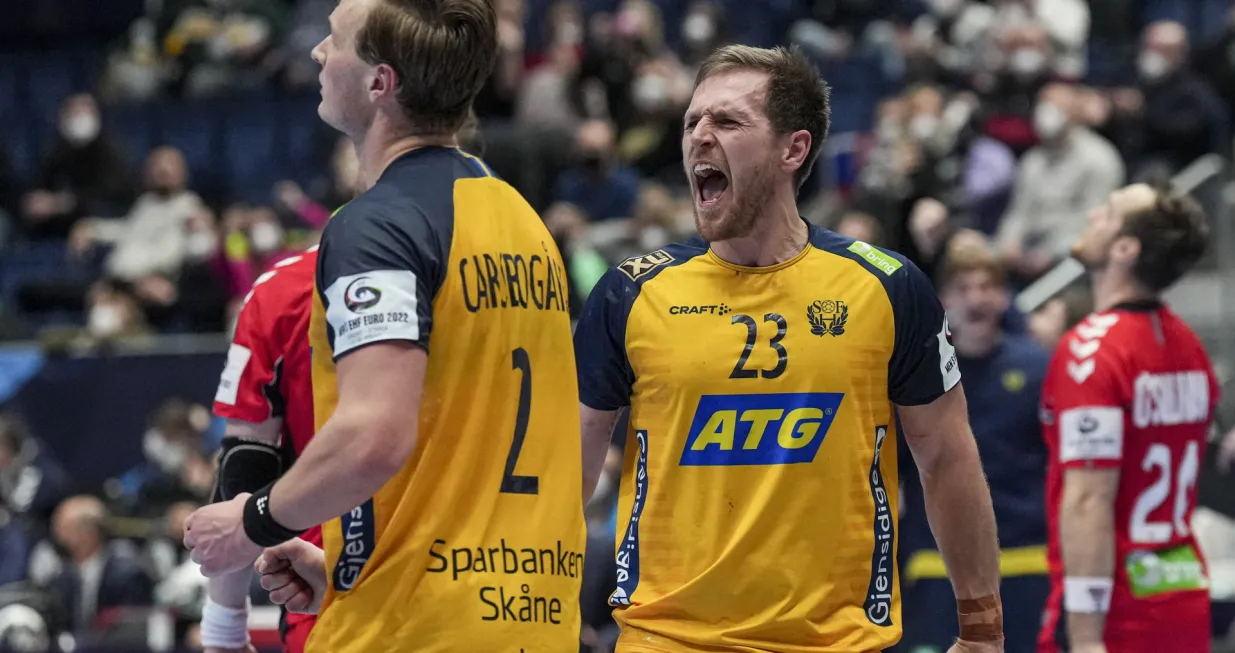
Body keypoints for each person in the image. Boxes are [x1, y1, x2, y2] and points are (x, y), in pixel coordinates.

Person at [183, 0, 586, 651]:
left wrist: (251, 519)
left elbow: (374, 435)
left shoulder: (378, 225)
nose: (317, 53)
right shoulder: (522, 222)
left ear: (379, 82)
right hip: (528, 615)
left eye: (334, 40)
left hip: (412, 630)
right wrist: (349, 567)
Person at [573, 44, 1003, 653]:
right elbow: (567, 473)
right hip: (666, 640)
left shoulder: (886, 287)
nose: (698, 136)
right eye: (693, 120)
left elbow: (948, 459)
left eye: (727, 121)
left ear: (792, 149)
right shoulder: (629, 292)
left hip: (837, 642)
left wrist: (982, 627)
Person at [1036, 182, 1216, 653]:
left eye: (1110, 211)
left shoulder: (1091, 350)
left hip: (1118, 613)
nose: (1094, 212)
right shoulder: (1189, 345)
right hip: (1182, 596)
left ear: (1124, 248)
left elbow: (1089, 500)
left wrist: (1086, 634)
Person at [898, 240, 1051, 653]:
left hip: (1028, 562)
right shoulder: (914, 374)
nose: (977, 298)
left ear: (1004, 296)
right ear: (944, 299)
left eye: (987, 287)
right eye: (964, 288)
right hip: (935, 567)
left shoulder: (1038, 369)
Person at [200, 247, 320, 653]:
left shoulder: (292, 284)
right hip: (504, 580)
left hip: (335, 595)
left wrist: (224, 625)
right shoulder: (521, 261)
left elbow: (247, 458)